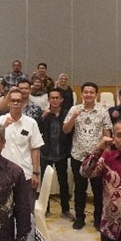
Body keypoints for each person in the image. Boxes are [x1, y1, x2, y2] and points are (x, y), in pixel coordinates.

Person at [63, 82, 112, 230]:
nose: (88, 95)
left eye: (91, 92)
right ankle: (79, 218)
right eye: (86, 92)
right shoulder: (74, 109)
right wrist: (73, 117)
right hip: (78, 155)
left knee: (98, 190)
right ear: (81, 94)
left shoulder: (103, 111)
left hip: (97, 158)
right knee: (79, 189)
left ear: (96, 94)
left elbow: (107, 134)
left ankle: (98, 219)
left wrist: (106, 155)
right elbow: (65, 130)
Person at [0, 89, 44, 189]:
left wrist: (35, 173)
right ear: (8, 103)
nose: (16, 103)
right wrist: (3, 127)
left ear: (23, 103)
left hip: (25, 173)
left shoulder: (31, 123)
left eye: (18, 101)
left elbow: (35, 149)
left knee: (25, 200)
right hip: (2, 172)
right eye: (13, 100)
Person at [38, 87, 72, 219]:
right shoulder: (44, 114)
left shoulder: (66, 114)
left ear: (61, 99)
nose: (55, 100)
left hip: (61, 153)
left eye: (57, 98)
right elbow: (37, 130)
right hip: (46, 153)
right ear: (48, 99)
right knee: (45, 182)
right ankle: (45, 209)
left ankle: (65, 210)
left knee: (63, 183)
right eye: (52, 98)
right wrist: (43, 117)